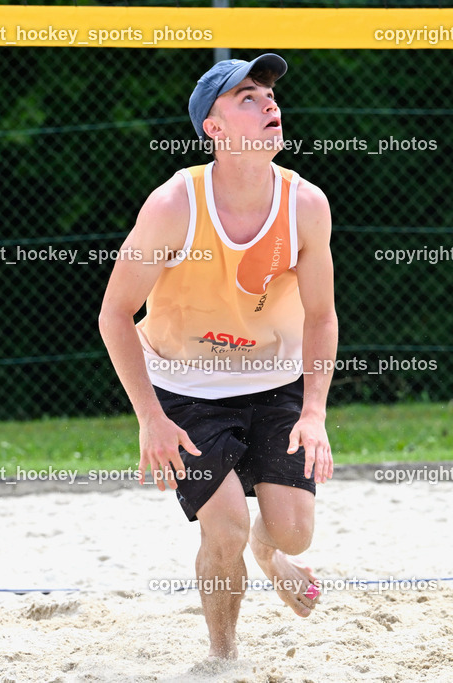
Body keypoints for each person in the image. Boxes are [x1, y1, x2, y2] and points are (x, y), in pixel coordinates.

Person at [98, 53, 337, 659]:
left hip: (274, 380)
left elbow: (321, 316)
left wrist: (313, 412)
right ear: (214, 128)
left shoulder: (305, 204)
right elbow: (114, 315)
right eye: (248, 98)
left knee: (295, 533)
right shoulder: (174, 205)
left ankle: (269, 551)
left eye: (270, 96)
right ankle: (224, 657)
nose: (270, 105)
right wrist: (151, 418)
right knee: (223, 525)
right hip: (186, 387)